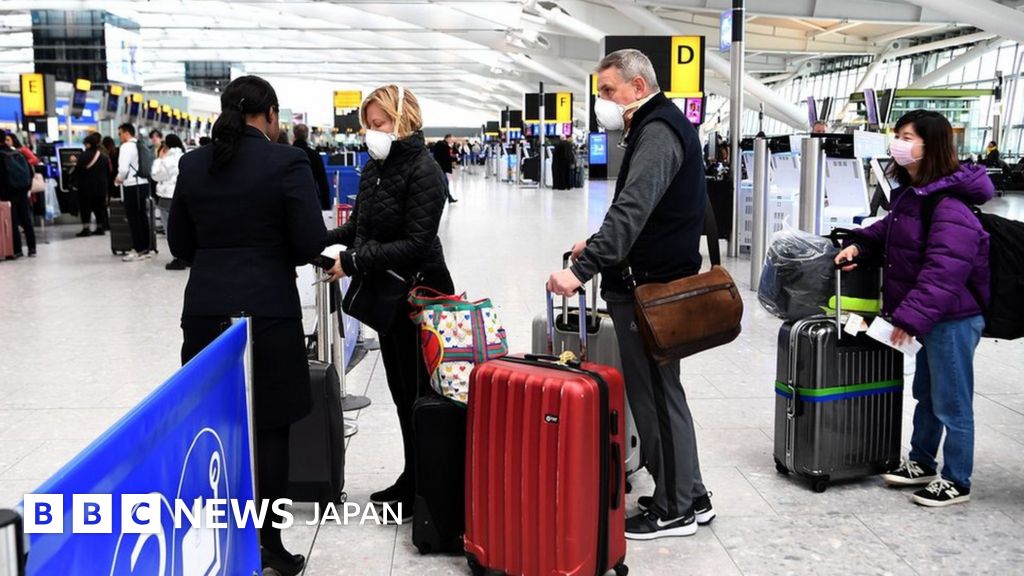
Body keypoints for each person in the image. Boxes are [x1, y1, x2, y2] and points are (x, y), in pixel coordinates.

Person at [547, 48, 713, 540]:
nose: (601, 102)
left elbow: (633, 211)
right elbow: (642, 212)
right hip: (650, 278)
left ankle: (676, 508)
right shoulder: (656, 126)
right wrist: (595, 244)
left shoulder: (658, 130)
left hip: (650, 287)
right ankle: (690, 493)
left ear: (638, 87)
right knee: (662, 393)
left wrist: (581, 269)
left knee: (658, 397)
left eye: (607, 92)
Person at [167, 75, 325, 575]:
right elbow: (307, 242)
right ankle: (269, 546)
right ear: (272, 115)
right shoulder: (287, 161)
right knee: (272, 427)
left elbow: (179, 245)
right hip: (269, 310)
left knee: (214, 424)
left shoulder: (194, 163)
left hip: (206, 309)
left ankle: (217, 538)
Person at [835, 110, 992, 508]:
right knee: (926, 392)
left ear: (931, 146)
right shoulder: (916, 194)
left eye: (907, 137)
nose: (898, 143)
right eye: (897, 135)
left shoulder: (950, 204)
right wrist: (861, 244)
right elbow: (890, 230)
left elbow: (945, 271)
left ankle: (957, 479)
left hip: (952, 318)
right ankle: (922, 460)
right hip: (931, 317)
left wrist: (909, 318)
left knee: (952, 401)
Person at [324, 84, 454, 519]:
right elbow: (359, 227)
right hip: (389, 297)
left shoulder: (425, 169)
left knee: (420, 393)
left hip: (420, 295)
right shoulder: (374, 168)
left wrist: (355, 260)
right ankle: (411, 476)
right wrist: (318, 241)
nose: (370, 133)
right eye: (367, 125)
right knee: (401, 392)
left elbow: (417, 244)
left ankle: (428, 485)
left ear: (403, 120)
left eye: (378, 124)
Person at [115, 123, 152, 262]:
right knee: (142, 216)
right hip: (142, 183)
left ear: (126, 133)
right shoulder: (140, 144)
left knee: (133, 218)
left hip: (132, 185)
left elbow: (123, 169)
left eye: (120, 133)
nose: (119, 136)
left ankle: (138, 249)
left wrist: (118, 179)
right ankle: (145, 248)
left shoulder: (126, 147)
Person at [152, 134, 187, 270]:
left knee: (170, 229)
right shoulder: (184, 155)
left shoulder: (167, 159)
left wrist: (159, 159)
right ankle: (186, 256)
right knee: (182, 227)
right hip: (181, 195)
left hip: (167, 196)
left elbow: (156, 175)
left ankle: (177, 258)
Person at [0, 133, 36, 258]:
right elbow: (30, 172)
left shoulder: (1, 154)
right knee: (26, 218)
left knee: (13, 220)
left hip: (8, 192)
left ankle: (17, 250)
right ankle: (32, 248)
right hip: (22, 190)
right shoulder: (17, 152)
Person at [73, 132, 110, 237]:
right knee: (99, 208)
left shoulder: (84, 155)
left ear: (88, 144)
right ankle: (100, 227)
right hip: (101, 187)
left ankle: (86, 228)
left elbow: (78, 170)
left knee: (86, 208)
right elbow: (108, 172)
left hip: (86, 188)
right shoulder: (103, 156)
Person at [293, 124, 331, 209]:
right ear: (307, 136)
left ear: (294, 135)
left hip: (290, 201)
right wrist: (326, 206)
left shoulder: (287, 154)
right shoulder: (314, 155)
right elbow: (322, 182)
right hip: (310, 199)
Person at [431, 134, 458, 203]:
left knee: (445, 183)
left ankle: (448, 197)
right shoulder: (443, 146)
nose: (452, 140)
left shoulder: (443, 145)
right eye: (451, 139)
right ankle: (447, 197)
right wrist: (454, 158)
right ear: (447, 138)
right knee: (445, 183)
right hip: (441, 168)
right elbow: (445, 157)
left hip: (440, 167)